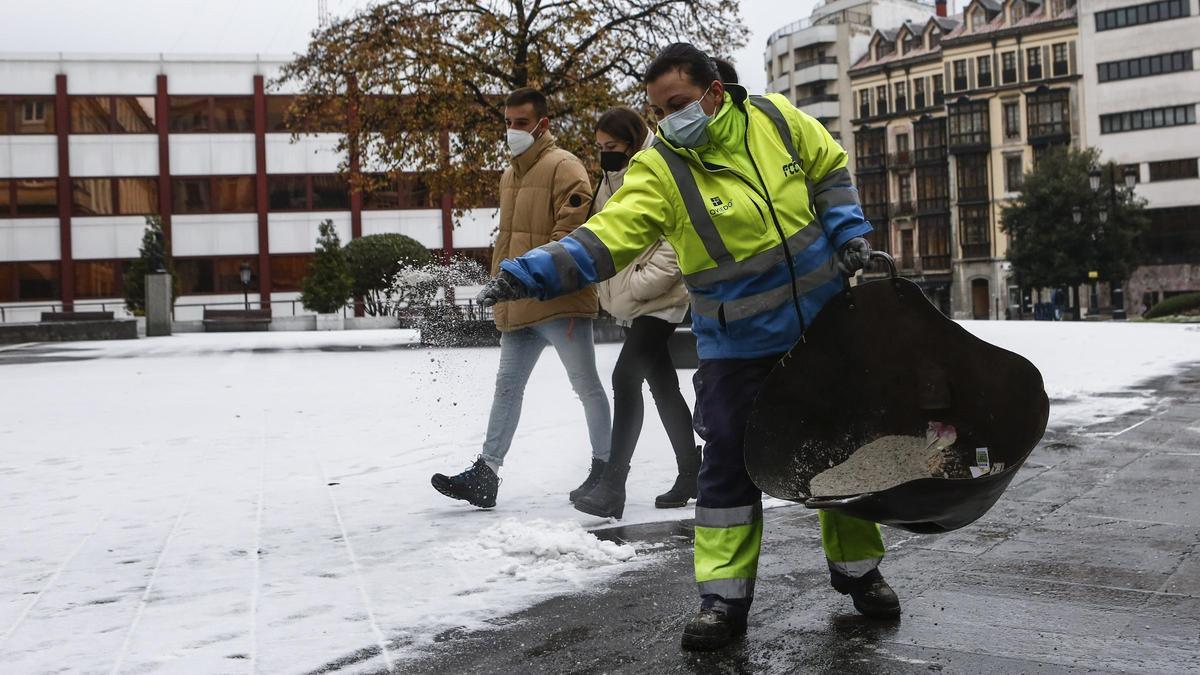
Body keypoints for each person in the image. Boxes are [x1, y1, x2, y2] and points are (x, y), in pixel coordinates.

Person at [475, 44, 897, 650]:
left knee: (843, 451)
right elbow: (606, 238)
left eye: (676, 105)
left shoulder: (778, 120)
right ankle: (722, 601)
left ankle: (860, 573)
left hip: (823, 329)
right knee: (726, 466)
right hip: (736, 345)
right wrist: (529, 272)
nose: (666, 120)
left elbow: (828, 169)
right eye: (656, 110)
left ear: (713, 93)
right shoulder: (661, 167)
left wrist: (850, 234)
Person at [430, 88, 612, 509]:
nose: (512, 130)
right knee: (506, 388)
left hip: (559, 300)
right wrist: (504, 284)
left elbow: (570, 234)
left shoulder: (565, 167)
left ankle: (606, 469)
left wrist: (530, 277)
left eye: (521, 123)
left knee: (585, 386)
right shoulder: (510, 174)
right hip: (518, 301)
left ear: (543, 124)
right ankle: (486, 474)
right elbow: (509, 239)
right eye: (508, 122)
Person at [574, 107, 697, 520]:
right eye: (600, 148)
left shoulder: (658, 169)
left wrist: (639, 284)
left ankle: (614, 484)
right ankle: (691, 471)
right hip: (633, 301)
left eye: (611, 147)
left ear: (631, 140)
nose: (604, 155)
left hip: (659, 300)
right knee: (662, 386)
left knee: (624, 378)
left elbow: (674, 241)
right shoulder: (610, 180)